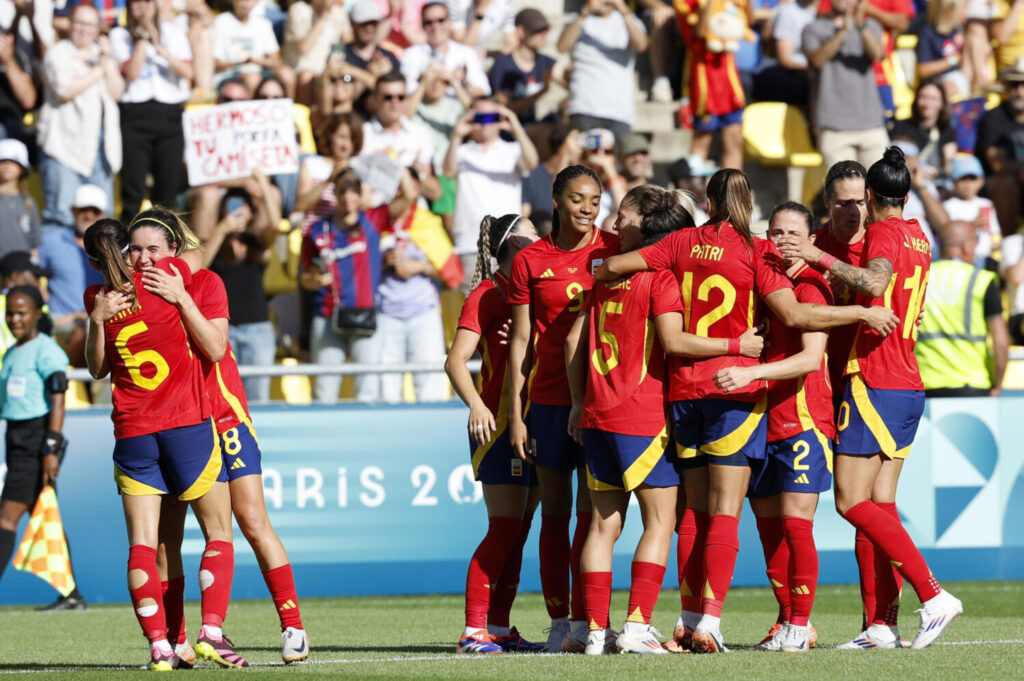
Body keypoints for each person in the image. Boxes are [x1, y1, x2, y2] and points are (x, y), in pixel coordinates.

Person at [596, 168, 897, 654]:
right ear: (749, 205)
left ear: (709, 204)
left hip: (683, 390)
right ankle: (710, 622)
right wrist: (861, 312)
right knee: (724, 513)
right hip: (734, 390)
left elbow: (611, 266)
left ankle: (685, 620)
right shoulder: (756, 252)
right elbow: (794, 315)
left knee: (692, 513)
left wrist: (601, 273)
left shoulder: (679, 243)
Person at [777, 146, 964, 650]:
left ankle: (933, 594)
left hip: (874, 378)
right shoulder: (919, 235)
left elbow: (876, 281)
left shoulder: (881, 234)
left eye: (860, 200)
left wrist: (818, 258)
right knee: (878, 504)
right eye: (843, 202)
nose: (854, 211)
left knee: (850, 500)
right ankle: (882, 623)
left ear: (873, 198)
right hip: (904, 381)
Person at [565, 186, 763, 656]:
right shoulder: (659, 278)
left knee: (601, 527)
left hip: (595, 413)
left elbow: (573, 341)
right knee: (659, 521)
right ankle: (636, 628)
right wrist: (738, 346)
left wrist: (577, 401)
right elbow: (674, 342)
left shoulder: (605, 278)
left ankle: (593, 632)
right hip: (642, 415)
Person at [126, 208, 309, 665]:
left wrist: (180, 297)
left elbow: (215, 347)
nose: (145, 259)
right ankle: (178, 643)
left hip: (223, 419)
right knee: (165, 542)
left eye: (155, 249)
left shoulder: (205, 283)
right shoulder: (132, 294)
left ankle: (292, 626)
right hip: (176, 426)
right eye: (137, 250)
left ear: (176, 249)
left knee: (252, 521)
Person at [83, 219, 239, 670]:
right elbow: (196, 260)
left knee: (143, 547)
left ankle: (160, 646)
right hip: (186, 425)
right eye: (137, 249)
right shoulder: (172, 276)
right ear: (126, 251)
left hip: (133, 433)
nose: (145, 258)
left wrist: (97, 319)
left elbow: (96, 369)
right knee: (218, 533)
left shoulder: (99, 299)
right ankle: (211, 631)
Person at [507, 165, 622, 652]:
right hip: (550, 403)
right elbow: (520, 341)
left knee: (593, 517)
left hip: (602, 403)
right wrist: (516, 415)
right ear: (555, 200)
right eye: (578, 199)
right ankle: (559, 623)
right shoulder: (530, 260)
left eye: (595, 200)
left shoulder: (614, 250)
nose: (587, 209)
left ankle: (586, 620)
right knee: (553, 513)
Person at [715, 201, 832, 653]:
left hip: (803, 418)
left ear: (811, 240)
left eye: (792, 233)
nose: (782, 240)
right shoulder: (762, 282)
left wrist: (751, 373)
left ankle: (800, 625)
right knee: (768, 531)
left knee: (796, 524)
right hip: (762, 419)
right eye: (775, 232)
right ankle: (787, 619)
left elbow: (810, 359)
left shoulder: (811, 286)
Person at [446, 213, 543, 654]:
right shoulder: (488, 294)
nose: (542, 238)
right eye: (534, 233)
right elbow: (455, 361)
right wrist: (477, 404)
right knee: (504, 528)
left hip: (534, 420)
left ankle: (499, 626)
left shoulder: (531, 292)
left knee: (519, 530)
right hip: (499, 424)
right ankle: (473, 630)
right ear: (516, 244)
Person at [0, 285, 88, 611]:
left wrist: (51, 447)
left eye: (22, 312)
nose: (14, 319)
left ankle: (72, 594)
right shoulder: (12, 352)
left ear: (37, 314)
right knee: (46, 516)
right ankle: (72, 594)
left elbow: (58, 397)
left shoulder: (47, 350)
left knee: (5, 519)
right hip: (16, 438)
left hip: (36, 441)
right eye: (10, 313)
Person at [37, 3, 123, 230]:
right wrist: (99, 69)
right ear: (70, 24)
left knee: (102, 223)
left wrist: (108, 61)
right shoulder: (58, 53)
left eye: (91, 25)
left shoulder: (102, 55)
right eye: (80, 23)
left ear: (98, 29)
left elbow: (117, 92)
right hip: (63, 148)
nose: (85, 29)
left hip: (101, 151)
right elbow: (65, 90)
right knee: (62, 216)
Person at [300, 170, 382, 404]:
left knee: (368, 392)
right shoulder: (316, 230)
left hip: (366, 316)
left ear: (360, 193)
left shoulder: (372, 220)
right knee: (325, 392)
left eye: (353, 191)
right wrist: (314, 281)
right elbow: (305, 278)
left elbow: (407, 197)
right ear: (334, 193)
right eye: (343, 191)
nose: (348, 196)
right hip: (327, 316)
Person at [109, 0, 193, 222]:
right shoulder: (120, 35)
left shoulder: (173, 32)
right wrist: (142, 39)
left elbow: (188, 71)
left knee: (167, 193)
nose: (141, 7)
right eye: (135, 2)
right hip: (135, 115)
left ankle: (165, 240)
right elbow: (132, 72)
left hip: (170, 113)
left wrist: (160, 48)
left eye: (146, 1)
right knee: (132, 191)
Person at [444, 98, 539, 291]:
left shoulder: (512, 150)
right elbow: (448, 171)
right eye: (480, 117)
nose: (485, 123)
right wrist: (456, 135)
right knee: (474, 306)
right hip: (471, 244)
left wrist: (515, 127)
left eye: (492, 117)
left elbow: (532, 163)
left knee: (513, 304)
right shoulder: (462, 151)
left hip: (508, 244)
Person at [205, 183, 281, 403]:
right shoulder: (214, 243)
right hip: (223, 331)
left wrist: (262, 185)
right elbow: (200, 267)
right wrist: (221, 230)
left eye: (243, 205)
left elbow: (275, 225)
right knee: (225, 398)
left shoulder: (257, 243)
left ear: (252, 212)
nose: (237, 210)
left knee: (258, 398)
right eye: (231, 205)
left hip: (258, 330)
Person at [916, 220, 1008, 397]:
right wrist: (998, 384)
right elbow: (1001, 343)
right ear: (965, 245)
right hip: (972, 383)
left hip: (925, 382)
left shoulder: (920, 278)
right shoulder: (982, 280)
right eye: (975, 240)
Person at [803, 0, 887, 169]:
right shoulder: (814, 28)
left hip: (871, 123)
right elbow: (817, 60)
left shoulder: (870, 25)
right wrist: (843, 31)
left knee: (880, 184)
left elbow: (878, 54)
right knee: (842, 185)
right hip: (833, 125)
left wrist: (860, 25)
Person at [558, 0, 647, 145]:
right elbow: (562, 47)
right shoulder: (576, 20)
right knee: (582, 158)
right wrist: (583, 13)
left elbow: (641, 45)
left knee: (616, 158)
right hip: (583, 107)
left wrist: (624, 11)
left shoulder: (630, 21)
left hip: (619, 111)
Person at [37, 184, 107, 367]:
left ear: (102, 215)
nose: (89, 215)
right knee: (82, 332)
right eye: (84, 209)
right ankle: (63, 377)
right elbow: (29, 269)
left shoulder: (109, 247)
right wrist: (40, 295)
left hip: (100, 318)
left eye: (95, 211)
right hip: (61, 321)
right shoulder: (52, 241)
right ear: (73, 210)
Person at [675, 0, 748, 169]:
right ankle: (693, 183)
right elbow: (699, 32)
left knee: (734, 139)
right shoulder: (685, 2)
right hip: (704, 82)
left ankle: (733, 186)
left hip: (729, 82)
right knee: (702, 139)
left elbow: (746, 23)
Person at [974, 57, 1024, 239]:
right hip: (997, 183)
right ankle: (1007, 240)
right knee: (1006, 182)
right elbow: (998, 164)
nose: (1019, 91)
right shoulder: (993, 117)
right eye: (1015, 85)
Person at [400, 2, 490, 98]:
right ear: (422, 25)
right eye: (429, 22)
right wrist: (425, 81)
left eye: (441, 20)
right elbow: (406, 94)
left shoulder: (467, 53)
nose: (435, 26)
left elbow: (483, 92)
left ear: (450, 22)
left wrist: (460, 83)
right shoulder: (411, 54)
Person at [487, 8, 555, 128]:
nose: (544, 34)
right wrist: (542, 91)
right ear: (521, 31)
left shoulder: (544, 61)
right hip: (505, 129)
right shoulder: (503, 65)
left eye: (546, 30)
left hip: (530, 127)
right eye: (538, 30)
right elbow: (506, 110)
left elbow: (563, 75)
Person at [211, 0, 294, 96]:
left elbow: (276, 61)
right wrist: (242, 62)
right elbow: (215, 63)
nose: (245, 3)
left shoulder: (263, 24)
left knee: (287, 74)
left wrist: (256, 61)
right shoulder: (221, 21)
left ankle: (288, 104)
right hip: (229, 75)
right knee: (252, 78)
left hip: (259, 72)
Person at [283, 0, 353, 104]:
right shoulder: (298, 10)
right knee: (307, 76)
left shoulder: (337, 11)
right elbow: (304, 48)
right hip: (299, 68)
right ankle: (305, 113)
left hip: (329, 67)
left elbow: (348, 39)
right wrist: (323, 16)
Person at [888, 79, 958, 183]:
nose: (927, 104)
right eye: (923, 97)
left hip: (936, 183)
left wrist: (943, 170)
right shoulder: (901, 127)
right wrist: (921, 168)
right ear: (916, 100)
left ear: (942, 102)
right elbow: (894, 160)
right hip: (906, 183)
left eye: (933, 99)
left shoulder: (945, 129)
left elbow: (950, 163)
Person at [942, 154, 1001, 266]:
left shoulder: (986, 204)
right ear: (954, 182)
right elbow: (949, 236)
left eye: (972, 179)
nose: (968, 184)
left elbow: (995, 232)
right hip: (961, 258)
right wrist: (972, 225)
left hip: (986, 255)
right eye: (963, 179)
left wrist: (997, 244)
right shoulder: (948, 206)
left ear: (981, 181)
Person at [915, 0, 970, 99]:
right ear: (950, 12)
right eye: (962, 9)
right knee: (946, 88)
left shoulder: (959, 31)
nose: (967, 13)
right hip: (940, 81)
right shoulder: (928, 33)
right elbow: (923, 70)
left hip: (962, 77)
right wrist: (953, 60)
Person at [0, 138, 40, 261]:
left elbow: (33, 244)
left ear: (22, 168)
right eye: (3, 161)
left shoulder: (28, 202)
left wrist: (34, 265)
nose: (7, 165)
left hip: (22, 266)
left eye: (13, 161)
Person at [446, 0, 516, 53]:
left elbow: (513, 43)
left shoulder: (504, 3)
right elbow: (464, 48)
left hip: (481, 58)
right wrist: (480, 11)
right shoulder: (456, 2)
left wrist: (488, 53)